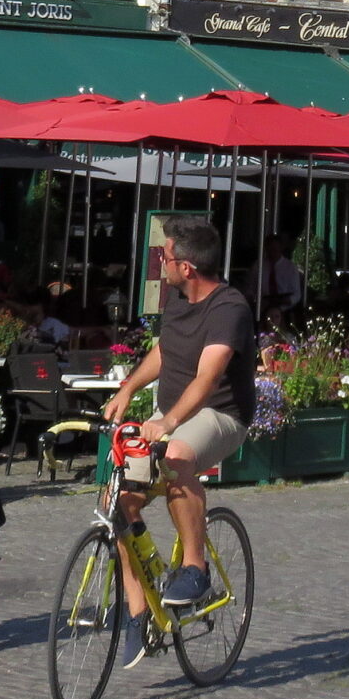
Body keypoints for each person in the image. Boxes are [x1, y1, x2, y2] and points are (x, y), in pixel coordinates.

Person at [103, 215, 253, 671]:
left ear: (186, 266)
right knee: (117, 500)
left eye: (165, 256)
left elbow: (208, 378)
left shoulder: (230, 308)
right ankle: (137, 610)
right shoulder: (177, 302)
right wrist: (128, 388)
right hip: (170, 416)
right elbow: (166, 351)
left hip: (220, 415)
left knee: (177, 454)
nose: (161, 262)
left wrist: (166, 421)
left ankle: (195, 570)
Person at [260, 235, 304, 316]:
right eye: (270, 249)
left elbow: (297, 294)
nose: (272, 252)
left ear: (280, 248)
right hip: (263, 309)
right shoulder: (258, 267)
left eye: (275, 249)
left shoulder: (290, 268)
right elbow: (250, 288)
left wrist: (287, 301)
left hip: (285, 310)